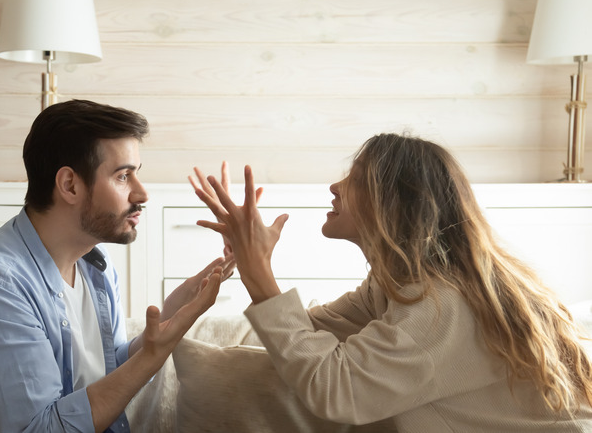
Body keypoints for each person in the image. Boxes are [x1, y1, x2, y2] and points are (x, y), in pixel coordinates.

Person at [190, 133, 592, 432]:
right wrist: (249, 264)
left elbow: (337, 391)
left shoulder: (442, 306)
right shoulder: (397, 285)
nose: (335, 187)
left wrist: (261, 274)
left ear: (393, 202)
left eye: (356, 178)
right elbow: (306, 336)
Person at [0, 99, 232, 433]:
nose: (142, 194)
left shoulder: (95, 267)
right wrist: (153, 356)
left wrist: (170, 321)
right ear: (69, 185)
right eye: (123, 176)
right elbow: (40, 430)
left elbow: (108, 372)